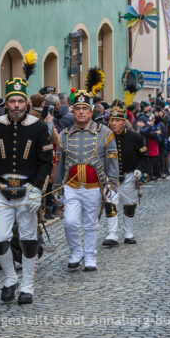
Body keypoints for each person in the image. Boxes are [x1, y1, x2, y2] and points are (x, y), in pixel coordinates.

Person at [0, 78, 53, 304]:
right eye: (12, 101)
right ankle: (10, 278)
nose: (17, 105)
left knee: (29, 239)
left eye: (20, 101)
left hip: (27, 191)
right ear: (6, 103)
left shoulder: (38, 127)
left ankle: (27, 285)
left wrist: (38, 190)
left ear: (26, 103)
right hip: (0, 190)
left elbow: (46, 162)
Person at [54, 90, 118, 272]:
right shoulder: (64, 135)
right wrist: (57, 187)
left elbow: (112, 159)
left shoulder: (104, 133)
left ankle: (90, 255)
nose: (81, 112)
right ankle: (76, 252)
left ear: (91, 112)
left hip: (94, 187)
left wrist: (112, 184)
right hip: (72, 187)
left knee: (91, 224)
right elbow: (59, 162)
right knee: (69, 222)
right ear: (73, 112)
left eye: (85, 109)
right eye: (78, 109)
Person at [102, 103, 146, 247]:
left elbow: (143, 155)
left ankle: (128, 233)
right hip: (110, 177)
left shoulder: (135, 137)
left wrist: (139, 170)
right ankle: (112, 234)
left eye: (118, 120)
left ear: (124, 121)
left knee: (129, 205)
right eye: (112, 120)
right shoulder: (104, 137)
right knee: (110, 204)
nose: (114, 124)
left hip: (128, 176)